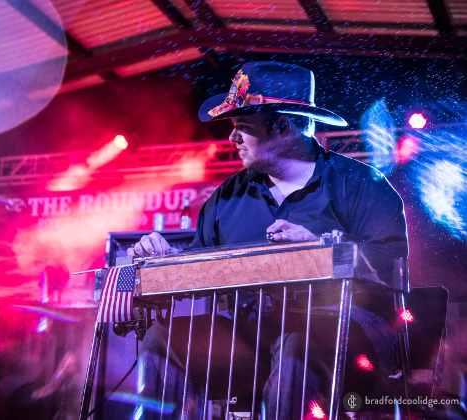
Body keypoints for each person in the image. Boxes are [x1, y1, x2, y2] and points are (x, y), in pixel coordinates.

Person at [128, 62, 408, 418]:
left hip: (351, 332)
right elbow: (198, 265)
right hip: (255, 334)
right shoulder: (226, 198)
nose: (232, 138)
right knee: (160, 338)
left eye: (243, 127)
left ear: (282, 127)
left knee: (298, 340)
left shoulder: (360, 184)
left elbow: (392, 267)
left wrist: (323, 248)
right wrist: (163, 258)